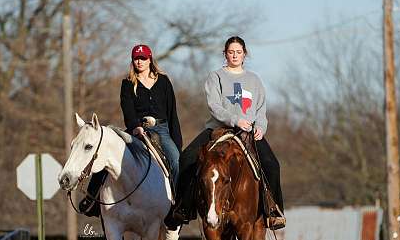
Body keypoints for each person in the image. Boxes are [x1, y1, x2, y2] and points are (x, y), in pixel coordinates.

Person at [166, 35, 284, 229]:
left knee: (272, 165)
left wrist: (260, 128)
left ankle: (274, 211)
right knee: (187, 157)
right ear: (225, 54)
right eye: (231, 52)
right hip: (219, 127)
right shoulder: (216, 76)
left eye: (238, 52)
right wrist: (235, 120)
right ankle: (183, 208)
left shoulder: (254, 80)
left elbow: (261, 109)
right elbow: (214, 106)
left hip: (249, 131)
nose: (235, 56)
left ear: (245, 54)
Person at [79, 44, 182, 216]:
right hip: (136, 129)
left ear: (150, 60)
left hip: (162, 129)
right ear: (132, 61)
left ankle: (178, 206)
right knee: (108, 152)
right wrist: (135, 127)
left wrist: (177, 143)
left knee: (177, 161)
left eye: (143, 58)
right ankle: (92, 200)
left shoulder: (164, 81)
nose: (140, 62)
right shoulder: (127, 83)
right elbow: (127, 109)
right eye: (136, 58)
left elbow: (172, 113)